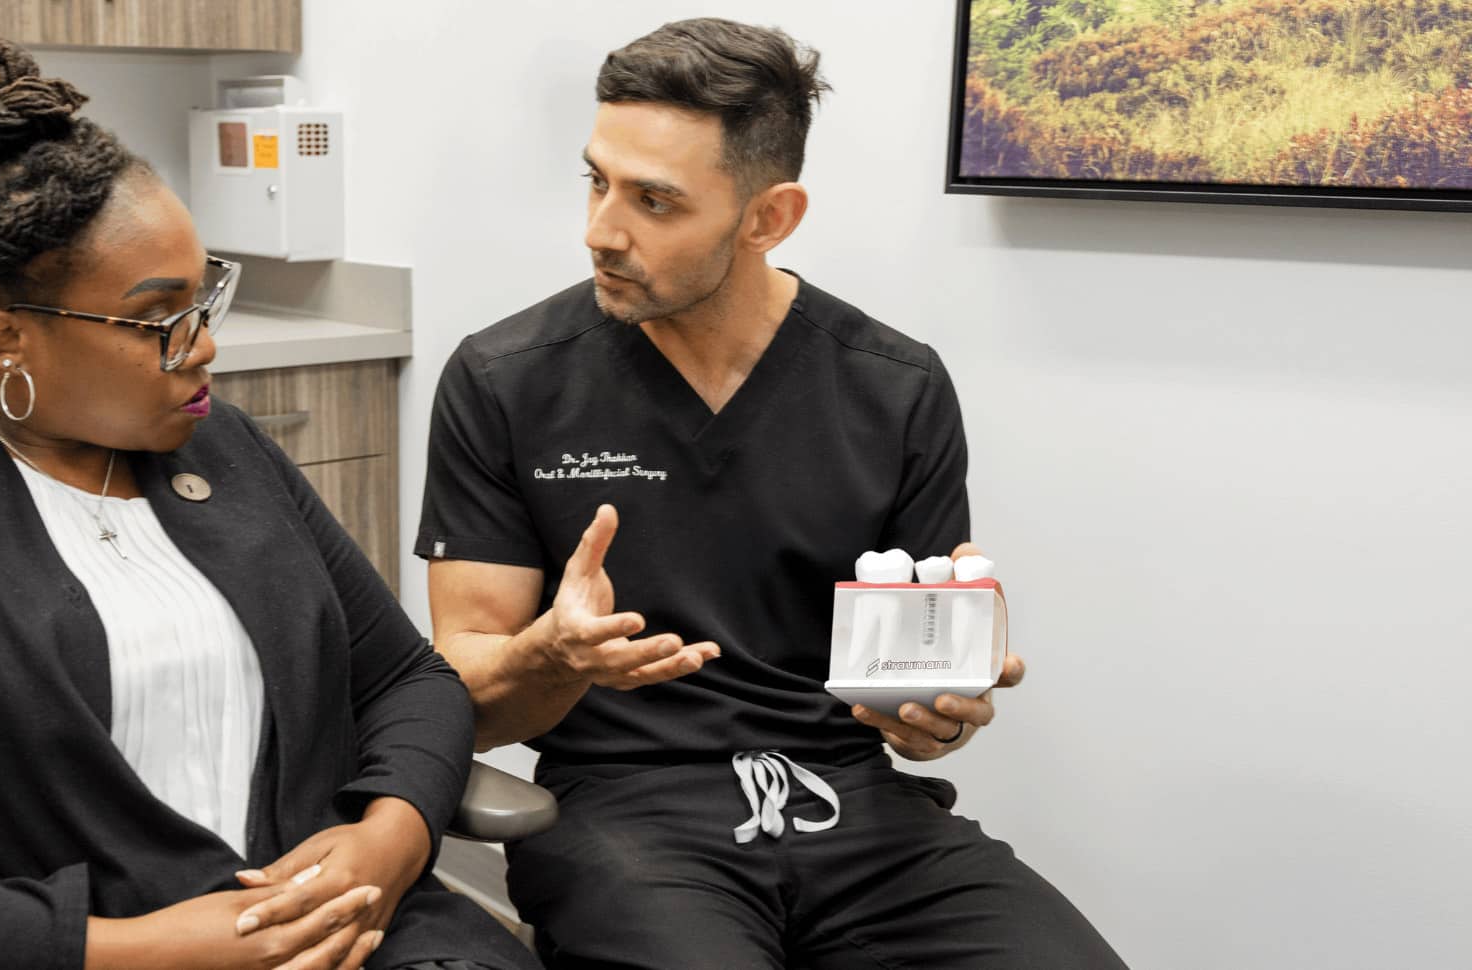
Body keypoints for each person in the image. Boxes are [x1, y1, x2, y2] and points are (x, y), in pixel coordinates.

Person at [0, 39, 536, 970]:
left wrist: (395, 835)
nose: (203, 347)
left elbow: (407, 680)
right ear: (11, 339)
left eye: (206, 295)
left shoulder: (227, 448)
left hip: (356, 930)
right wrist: (135, 949)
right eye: (159, 318)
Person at [418, 18, 1125, 970]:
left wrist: (933, 712)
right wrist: (555, 653)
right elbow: (467, 690)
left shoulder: (893, 387)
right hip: (628, 812)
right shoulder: (505, 381)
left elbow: (915, 717)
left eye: (655, 202)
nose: (601, 231)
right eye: (597, 180)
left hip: (855, 806)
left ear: (769, 217)